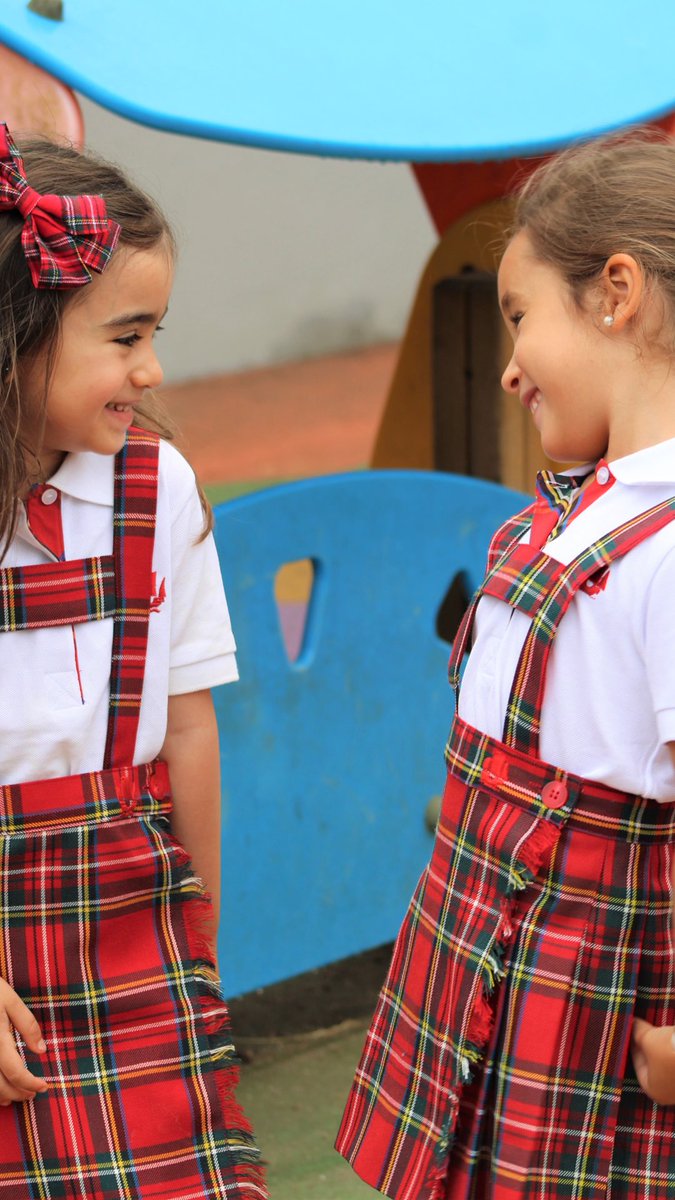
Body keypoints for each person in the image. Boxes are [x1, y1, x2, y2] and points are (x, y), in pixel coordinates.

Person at [336, 130, 675, 1199]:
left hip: (591, 1003)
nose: (512, 365)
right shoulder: (574, 513)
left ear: (616, 292)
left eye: (523, 317)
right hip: (487, 977)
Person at [0, 123, 265, 1198]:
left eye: (157, 331)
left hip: (132, 917)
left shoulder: (156, 491)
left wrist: (195, 929)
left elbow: (189, 725)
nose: (151, 369)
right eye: (124, 335)